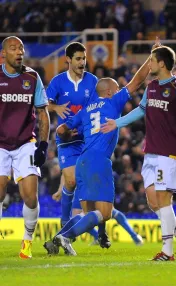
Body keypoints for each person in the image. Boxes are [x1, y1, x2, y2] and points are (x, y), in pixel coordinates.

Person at [101, 46, 176, 261]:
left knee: (164, 199)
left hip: (169, 153)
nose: (149, 64)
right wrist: (116, 123)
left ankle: (167, 252)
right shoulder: (152, 86)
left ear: (162, 63)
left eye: (152, 60)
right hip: (151, 153)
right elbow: (140, 110)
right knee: (154, 203)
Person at [45, 45, 153, 256]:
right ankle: (65, 237)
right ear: (111, 91)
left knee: (89, 212)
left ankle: (58, 238)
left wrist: (67, 134)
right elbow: (137, 81)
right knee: (104, 213)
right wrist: (151, 57)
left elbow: (61, 129)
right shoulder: (114, 101)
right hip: (98, 160)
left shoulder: (86, 110)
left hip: (82, 161)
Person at [0, 36, 50, 259]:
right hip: (0, 144)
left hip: (24, 143)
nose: (19, 52)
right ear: (4, 54)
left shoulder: (32, 76)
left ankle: (27, 241)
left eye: (21, 48)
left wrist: (43, 144)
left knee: (30, 196)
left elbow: (42, 112)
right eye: (13, 48)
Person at [46, 42, 98, 228]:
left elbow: (96, 107)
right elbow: (44, 104)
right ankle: (65, 223)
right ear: (68, 59)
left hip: (86, 138)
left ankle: (95, 226)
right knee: (71, 180)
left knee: (86, 182)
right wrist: (56, 107)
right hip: (66, 139)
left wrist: (86, 124)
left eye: (84, 58)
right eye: (78, 58)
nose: (82, 62)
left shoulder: (93, 81)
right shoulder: (58, 82)